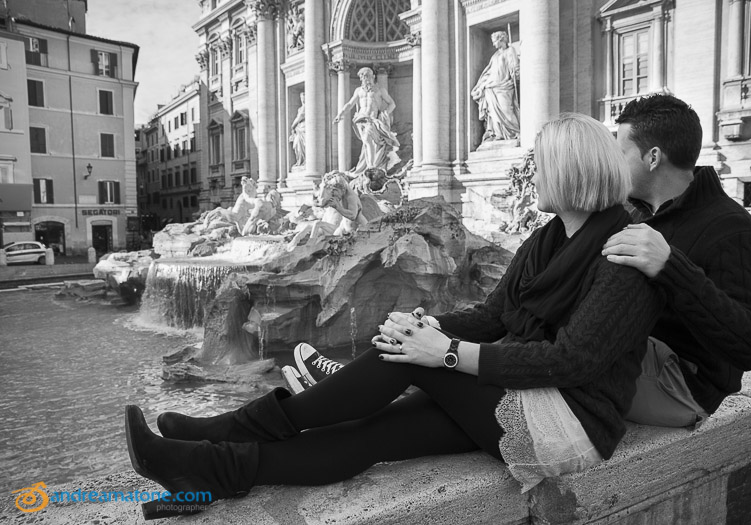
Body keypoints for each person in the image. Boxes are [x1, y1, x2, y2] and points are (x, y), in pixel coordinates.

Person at [124, 114, 664, 518]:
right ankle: (209, 470)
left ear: (571, 171)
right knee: (374, 433)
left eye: (541, 162)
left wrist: (446, 352)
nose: (532, 173)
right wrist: (429, 328)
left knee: (415, 361)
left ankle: (234, 426)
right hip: (518, 398)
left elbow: (574, 360)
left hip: (570, 423)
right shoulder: (547, 239)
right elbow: (494, 315)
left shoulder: (623, 251)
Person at [601, 94, 751, 427]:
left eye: (620, 154)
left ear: (653, 158)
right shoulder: (638, 214)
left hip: (683, 384)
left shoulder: (730, 227)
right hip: (636, 357)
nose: (613, 164)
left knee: (540, 382)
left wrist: (671, 267)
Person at [334, 67, 401, 177]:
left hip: (372, 120)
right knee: (366, 143)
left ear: (373, 77)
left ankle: (371, 166)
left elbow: (392, 104)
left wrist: (383, 114)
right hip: (360, 120)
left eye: (368, 76)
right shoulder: (358, 91)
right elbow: (350, 104)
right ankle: (370, 165)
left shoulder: (380, 90)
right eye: (363, 77)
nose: (366, 79)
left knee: (367, 140)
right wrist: (340, 114)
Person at [471, 31, 520, 143]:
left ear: (501, 40)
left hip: (505, 87)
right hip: (491, 87)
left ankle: (515, 132)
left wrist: (515, 71)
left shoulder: (510, 50)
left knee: (507, 110)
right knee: (493, 113)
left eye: (495, 42)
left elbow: (514, 66)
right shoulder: (495, 55)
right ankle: (498, 134)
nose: (493, 45)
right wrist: (482, 85)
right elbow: (489, 72)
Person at [289, 92, 306, 167]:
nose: (302, 99)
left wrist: (293, 125)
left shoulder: (306, 107)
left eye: (304, 97)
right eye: (301, 97)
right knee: (297, 146)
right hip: (299, 129)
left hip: (304, 128)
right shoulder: (300, 108)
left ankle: (304, 161)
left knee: (302, 145)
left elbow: (301, 116)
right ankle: (300, 161)